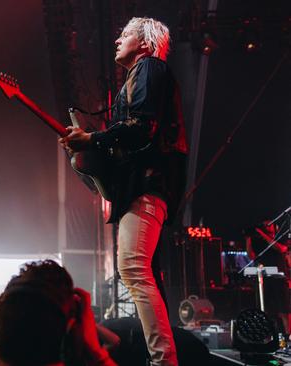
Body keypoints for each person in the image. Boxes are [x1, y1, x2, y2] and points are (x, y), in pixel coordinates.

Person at [59, 17, 188, 366]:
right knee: (141, 271)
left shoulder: (149, 67)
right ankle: (163, 358)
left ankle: (163, 361)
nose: (117, 39)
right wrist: (85, 155)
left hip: (148, 184)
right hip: (147, 184)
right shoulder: (140, 76)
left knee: (133, 268)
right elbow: (131, 140)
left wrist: (92, 139)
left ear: (145, 43)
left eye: (126, 34)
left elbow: (142, 128)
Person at [245, 221, 290, 334]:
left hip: (278, 278)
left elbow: (281, 249)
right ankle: (266, 334)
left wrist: (263, 234)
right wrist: (248, 239)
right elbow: (251, 256)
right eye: (264, 225)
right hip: (264, 278)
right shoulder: (259, 241)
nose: (266, 226)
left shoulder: (280, 237)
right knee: (265, 309)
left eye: (269, 224)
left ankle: (288, 336)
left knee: (283, 310)